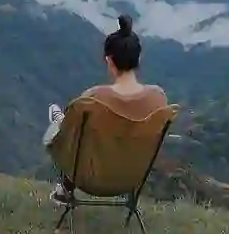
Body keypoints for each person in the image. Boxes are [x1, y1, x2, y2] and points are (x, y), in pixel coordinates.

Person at [43, 14, 168, 205]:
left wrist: (58, 126)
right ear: (139, 58)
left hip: (91, 179)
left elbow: (64, 139)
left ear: (109, 61)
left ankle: (64, 188)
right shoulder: (158, 98)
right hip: (131, 178)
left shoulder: (93, 98)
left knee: (62, 133)